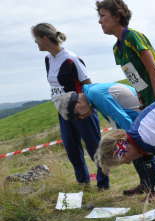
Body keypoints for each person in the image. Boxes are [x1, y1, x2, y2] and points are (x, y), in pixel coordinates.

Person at [32, 23, 109, 190]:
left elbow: (88, 84)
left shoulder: (71, 58)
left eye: (36, 39)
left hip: (82, 111)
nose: (35, 43)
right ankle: (83, 183)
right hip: (64, 111)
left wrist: (86, 107)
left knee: (94, 148)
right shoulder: (48, 59)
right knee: (72, 149)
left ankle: (103, 185)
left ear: (45, 38)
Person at [55, 83, 155, 195]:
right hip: (135, 116)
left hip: (140, 115)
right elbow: (117, 122)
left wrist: (136, 144)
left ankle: (154, 189)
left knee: (143, 153)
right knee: (130, 149)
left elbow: (122, 118)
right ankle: (145, 184)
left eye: (77, 115)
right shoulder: (92, 95)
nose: (80, 118)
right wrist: (122, 148)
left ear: (77, 103)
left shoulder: (95, 95)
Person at [96, 0, 155, 110]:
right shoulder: (116, 49)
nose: (99, 21)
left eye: (102, 15)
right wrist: (141, 99)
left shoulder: (132, 37)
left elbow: (154, 71)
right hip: (149, 101)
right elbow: (133, 77)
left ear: (117, 16)